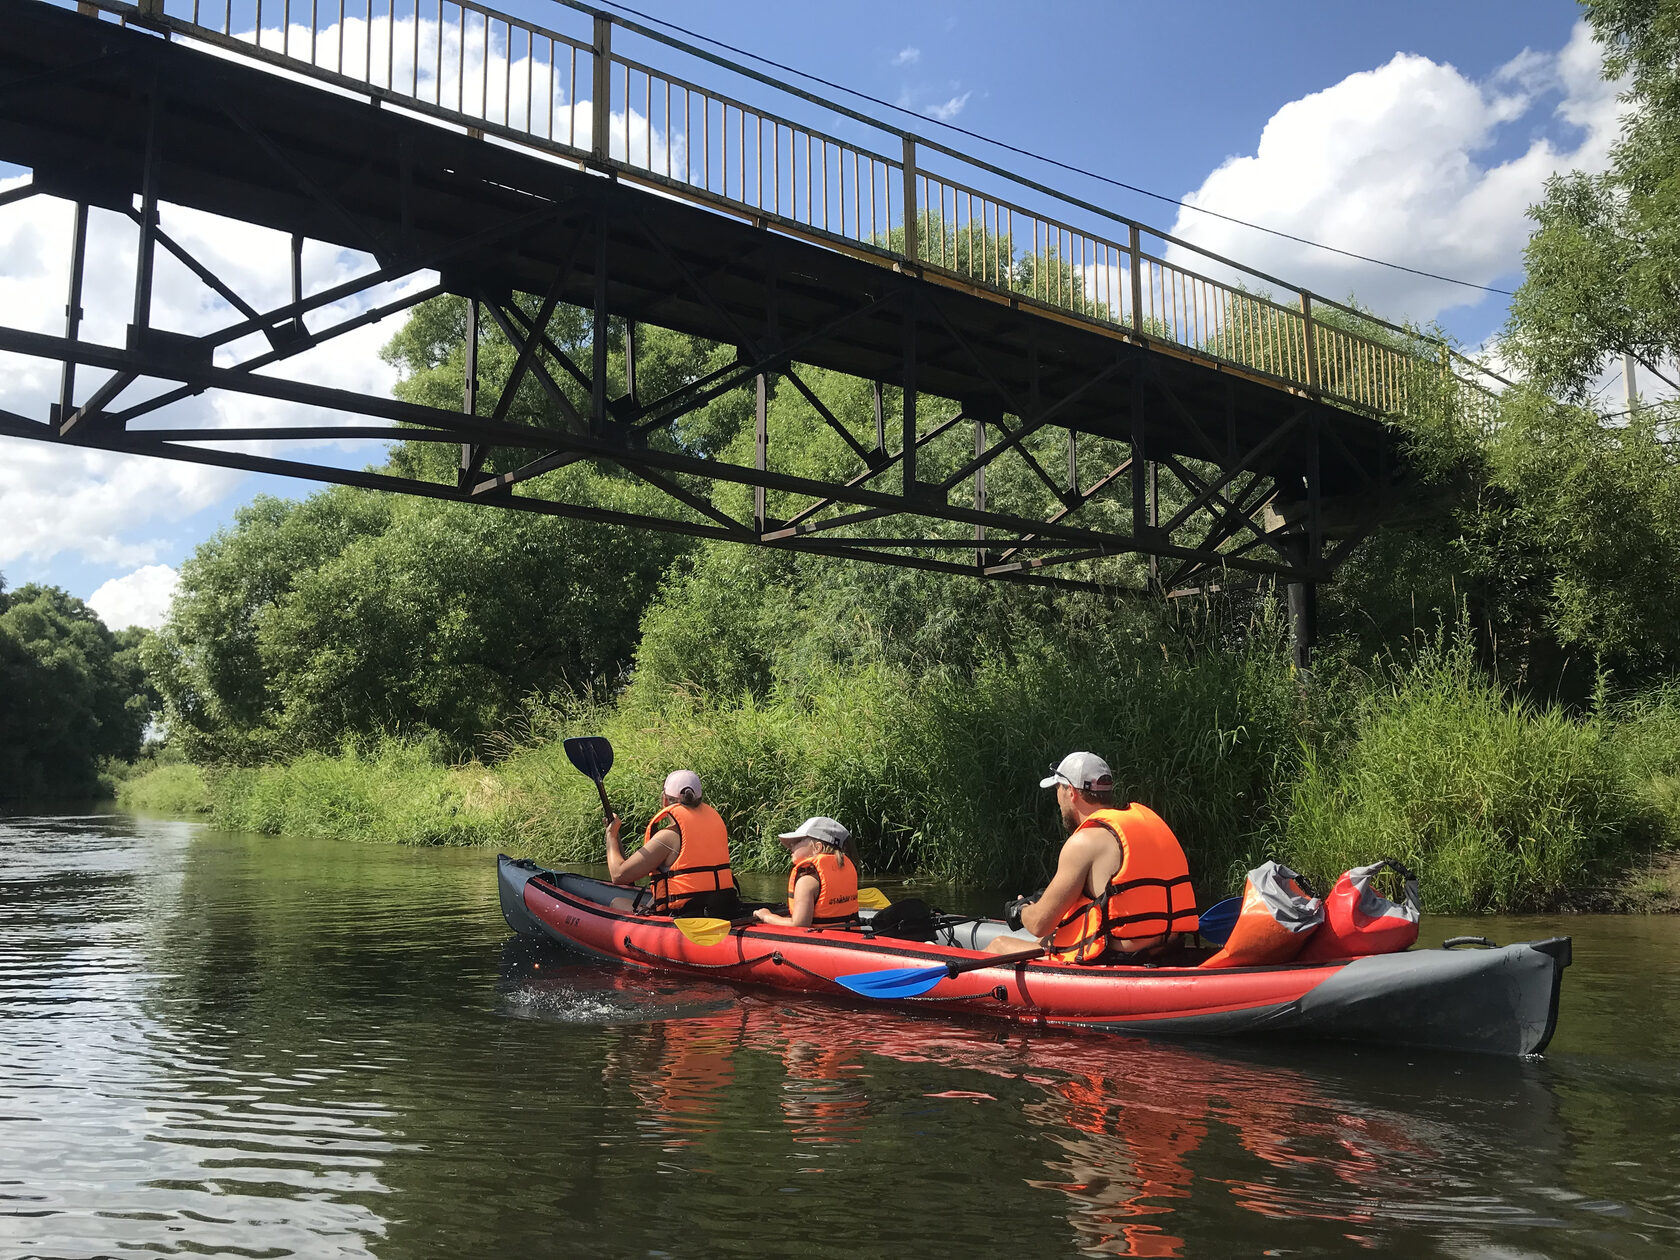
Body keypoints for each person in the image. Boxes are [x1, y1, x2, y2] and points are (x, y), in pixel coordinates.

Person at [985, 751, 1199, 962]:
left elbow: (1040, 923)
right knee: (1047, 940)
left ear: (1071, 792)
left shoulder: (1084, 841)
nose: (1058, 800)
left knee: (999, 945)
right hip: (1168, 949)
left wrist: (1021, 910)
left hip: (1121, 958)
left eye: (1058, 789)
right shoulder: (1150, 825)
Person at [605, 769, 737, 916]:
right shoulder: (715, 828)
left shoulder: (667, 837)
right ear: (699, 799)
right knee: (650, 900)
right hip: (721, 909)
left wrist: (611, 835)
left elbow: (618, 875)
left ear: (665, 800)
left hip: (685, 917)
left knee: (617, 902)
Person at [754, 816, 859, 929]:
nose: (791, 846)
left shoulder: (807, 879)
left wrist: (767, 916)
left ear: (817, 847)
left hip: (822, 942)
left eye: (797, 841)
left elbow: (799, 924)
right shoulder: (843, 867)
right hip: (850, 935)